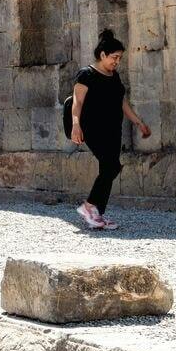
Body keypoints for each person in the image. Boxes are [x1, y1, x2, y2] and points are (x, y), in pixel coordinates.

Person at [69, 28, 151, 230]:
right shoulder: (86, 74)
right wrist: (76, 125)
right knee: (110, 166)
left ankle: (96, 213)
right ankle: (89, 207)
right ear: (103, 54)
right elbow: (77, 102)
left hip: (113, 129)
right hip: (93, 128)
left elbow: (121, 102)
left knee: (111, 168)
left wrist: (138, 122)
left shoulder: (114, 76)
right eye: (114, 57)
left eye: (120, 58)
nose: (117, 61)